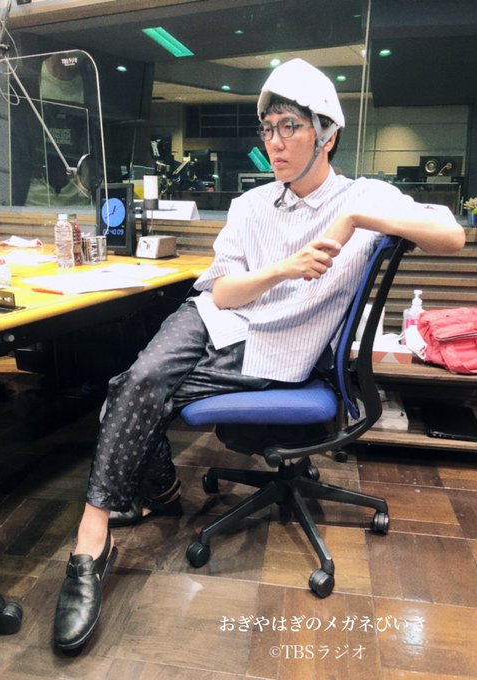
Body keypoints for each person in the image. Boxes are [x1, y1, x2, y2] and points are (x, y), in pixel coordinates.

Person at [53, 58, 465, 651]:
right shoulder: (251, 206)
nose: (275, 142)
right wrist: (284, 268)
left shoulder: (364, 196)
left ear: (327, 133)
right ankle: (95, 538)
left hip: (274, 346)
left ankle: (141, 509)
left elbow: (451, 235)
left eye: (290, 127)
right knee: (140, 381)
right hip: (211, 317)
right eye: (268, 128)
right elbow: (222, 293)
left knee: (128, 392)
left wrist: (354, 217)